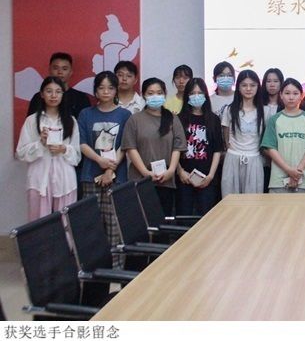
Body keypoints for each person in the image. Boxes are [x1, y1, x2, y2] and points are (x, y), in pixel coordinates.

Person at [77, 71, 131, 266]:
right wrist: (100, 161)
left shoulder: (125, 115)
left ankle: (116, 268)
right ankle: (93, 267)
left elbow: (125, 145)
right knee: (91, 224)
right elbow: (82, 143)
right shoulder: (86, 114)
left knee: (114, 224)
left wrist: (110, 170)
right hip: (90, 174)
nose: (106, 91)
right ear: (95, 91)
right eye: (101, 88)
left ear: (116, 90)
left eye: (110, 87)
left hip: (116, 177)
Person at [16, 77, 80, 221]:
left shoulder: (71, 121)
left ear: (63, 95)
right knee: (38, 222)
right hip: (39, 177)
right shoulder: (32, 120)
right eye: (49, 91)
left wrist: (64, 149)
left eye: (58, 92)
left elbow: (77, 156)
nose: (53, 95)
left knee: (66, 222)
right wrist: (40, 144)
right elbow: (21, 153)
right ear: (42, 94)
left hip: (65, 178)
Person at [122, 78, 187, 215]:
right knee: (141, 221)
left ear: (165, 94)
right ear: (143, 95)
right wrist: (145, 173)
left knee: (163, 221)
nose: (155, 96)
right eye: (150, 93)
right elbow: (130, 148)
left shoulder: (172, 118)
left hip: (166, 179)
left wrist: (171, 170)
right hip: (140, 180)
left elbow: (178, 147)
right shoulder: (134, 119)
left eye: (159, 93)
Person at [261, 78, 305, 193]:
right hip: (279, 180)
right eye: (287, 93)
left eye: (295, 93)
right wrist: (289, 170)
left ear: (301, 96)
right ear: (281, 95)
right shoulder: (274, 119)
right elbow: (270, 148)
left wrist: (297, 172)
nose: (291, 97)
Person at [176, 78, 224, 215]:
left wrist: (211, 176)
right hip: (184, 177)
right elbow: (173, 149)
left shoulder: (214, 119)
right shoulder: (178, 119)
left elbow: (217, 149)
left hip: (207, 177)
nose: (196, 96)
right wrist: (180, 171)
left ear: (205, 95)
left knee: (206, 216)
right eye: (192, 93)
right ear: (187, 96)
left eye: (200, 93)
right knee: (184, 215)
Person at [221, 70, 266, 194]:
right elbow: (226, 137)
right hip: (233, 158)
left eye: (252, 85)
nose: (248, 89)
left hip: (254, 159)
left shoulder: (264, 111)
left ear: (258, 87)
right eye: (244, 85)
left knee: (253, 201)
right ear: (238, 87)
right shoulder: (229, 110)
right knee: (230, 199)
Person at [26, 52, 91, 119]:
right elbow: (31, 123)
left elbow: (86, 123)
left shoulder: (81, 98)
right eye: (56, 68)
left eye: (64, 69)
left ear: (71, 72)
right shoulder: (38, 97)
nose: (60, 72)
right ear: (49, 70)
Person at [261, 68, 284, 193]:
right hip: (260, 156)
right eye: (268, 81)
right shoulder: (258, 105)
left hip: (281, 156)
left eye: (276, 81)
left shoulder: (286, 107)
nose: (272, 84)